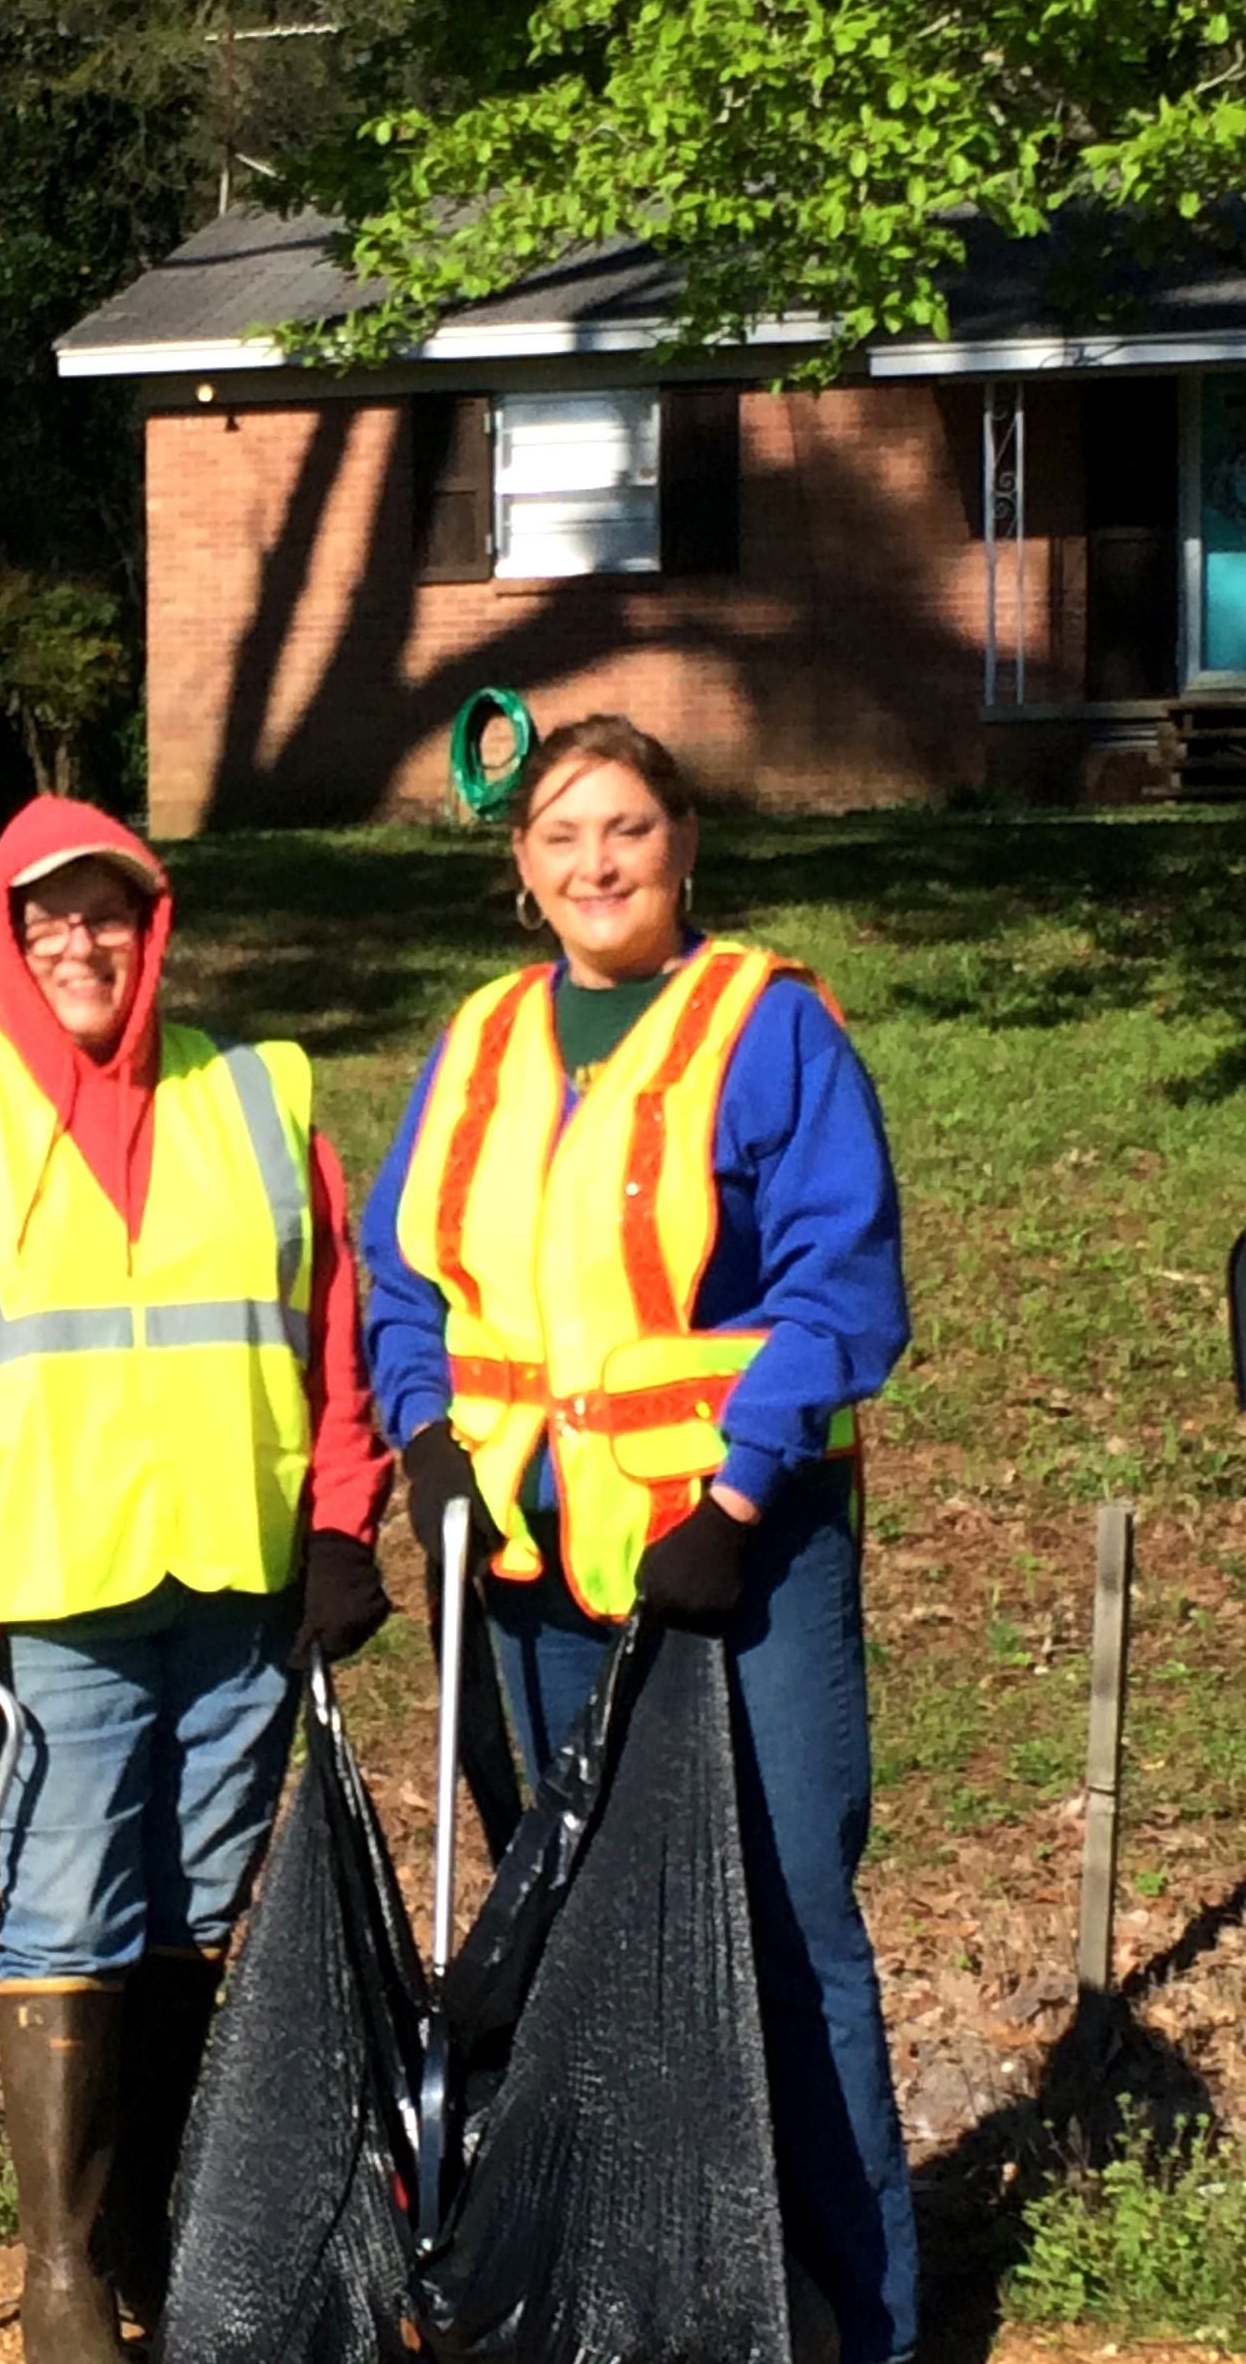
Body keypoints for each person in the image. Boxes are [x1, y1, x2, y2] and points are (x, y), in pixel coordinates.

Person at [360, 717, 916, 2364]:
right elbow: (407, 1280)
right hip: (536, 1586)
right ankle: (651, 2297)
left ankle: (861, 2319)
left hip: (735, 1571)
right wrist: (423, 1447)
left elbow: (842, 1286)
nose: (596, 863)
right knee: (595, 1946)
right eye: (560, 835)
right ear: (519, 869)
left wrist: (736, 1496)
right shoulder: (476, 1042)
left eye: (626, 829)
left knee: (793, 1923)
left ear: (684, 845)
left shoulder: (771, 1029)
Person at [0, 795, 392, 2364]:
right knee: (66, 1910)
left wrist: (344, 1520)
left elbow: (332, 1324)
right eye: (47, 918)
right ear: (8, 940)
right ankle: (63, 2273)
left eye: (110, 913)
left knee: (200, 1911)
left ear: (155, 927)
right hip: (48, 1596)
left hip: (238, 1589)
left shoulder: (260, 1097)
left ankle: (164, 2231)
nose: (81, 943)